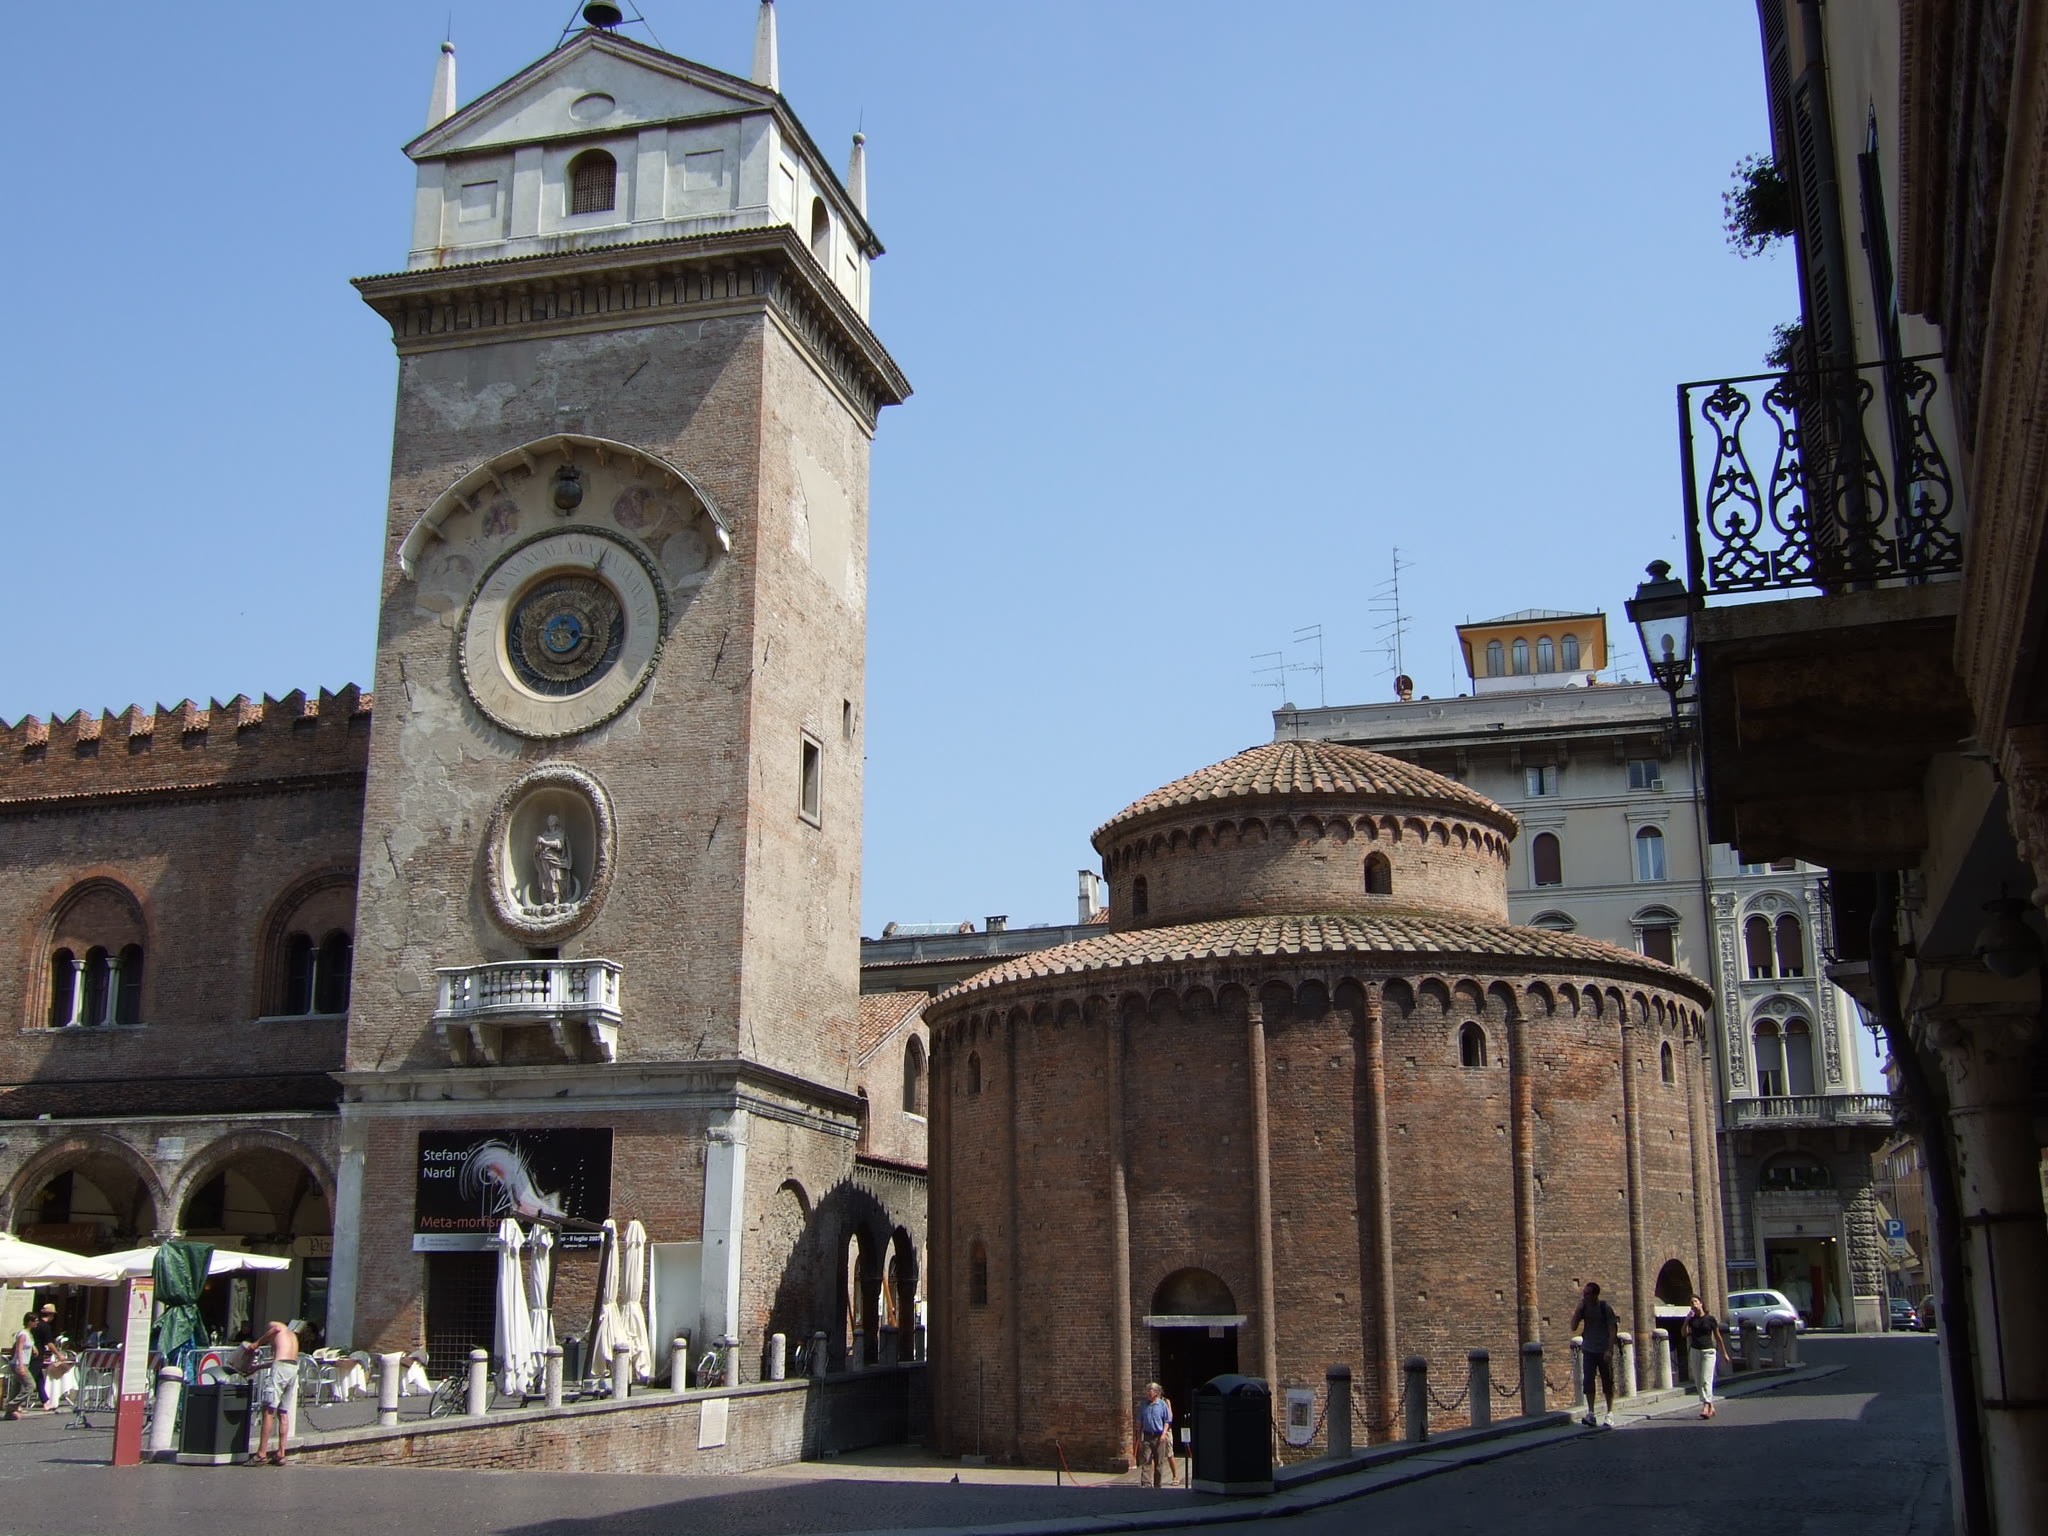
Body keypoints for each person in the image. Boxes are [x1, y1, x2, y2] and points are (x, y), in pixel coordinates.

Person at [245, 1320, 300, 1467]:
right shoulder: (292, 1335)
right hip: (293, 1368)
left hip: (281, 1369)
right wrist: (258, 1367)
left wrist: (256, 1343)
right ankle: (281, 1453)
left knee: (268, 1410)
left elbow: (275, 1329)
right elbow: (283, 1360)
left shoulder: (276, 1326)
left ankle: (261, 1454)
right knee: (283, 1412)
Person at [1569, 1281, 1620, 1427]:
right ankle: (1591, 1413)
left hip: (1603, 1350)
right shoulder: (1584, 1308)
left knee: (1607, 1382)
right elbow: (1573, 1327)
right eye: (1584, 1294)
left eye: (1587, 1294)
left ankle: (1609, 1413)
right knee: (1588, 1382)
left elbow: (1612, 1329)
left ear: (1595, 1295)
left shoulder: (1605, 1308)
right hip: (1589, 1349)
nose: (1585, 1296)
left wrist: (1609, 1349)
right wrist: (1578, 1311)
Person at [1685, 1296, 1725, 1419]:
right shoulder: (1692, 1320)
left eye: (1696, 1301)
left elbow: (1717, 1336)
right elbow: (1683, 1333)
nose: (1694, 1304)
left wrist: (1724, 1353)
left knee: (1706, 1379)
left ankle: (1705, 1406)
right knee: (1698, 1381)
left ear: (1701, 1303)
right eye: (1691, 1302)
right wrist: (1686, 1320)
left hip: (1708, 1351)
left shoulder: (1710, 1319)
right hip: (1695, 1350)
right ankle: (1710, 1405)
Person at [1135, 1381, 1177, 1487]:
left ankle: (1157, 1485)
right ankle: (1146, 1484)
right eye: (1147, 1391)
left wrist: (1164, 1434)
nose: (1148, 1393)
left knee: (1159, 1462)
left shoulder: (1162, 1404)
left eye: (1150, 1391)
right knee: (1146, 1460)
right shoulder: (1144, 1405)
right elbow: (1139, 1421)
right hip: (1147, 1436)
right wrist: (1139, 1436)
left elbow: (1167, 1420)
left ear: (1156, 1393)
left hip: (1159, 1436)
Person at [5, 1314, 36, 1420]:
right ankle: (12, 1405)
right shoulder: (23, 1334)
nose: (36, 1323)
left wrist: (34, 1348)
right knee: (31, 1385)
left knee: (16, 1388)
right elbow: (18, 1349)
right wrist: (21, 1366)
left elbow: (28, 1345)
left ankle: (9, 1414)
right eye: (35, 1321)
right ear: (29, 1322)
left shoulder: (28, 1333)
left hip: (23, 1363)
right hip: (19, 1363)